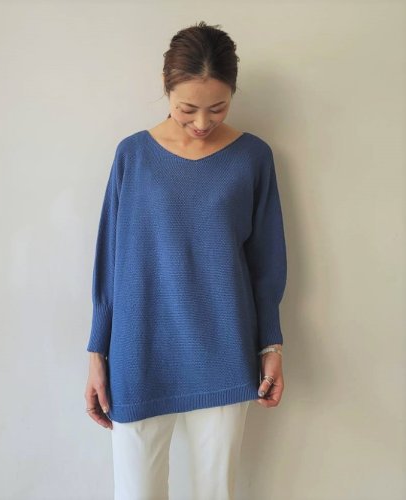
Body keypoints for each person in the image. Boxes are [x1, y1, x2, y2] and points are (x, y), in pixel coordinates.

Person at [84, 21, 287, 500]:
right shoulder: (132, 156)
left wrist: (271, 345)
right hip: (139, 349)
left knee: (216, 492)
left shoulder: (252, 158)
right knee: (136, 493)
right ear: (166, 87)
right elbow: (110, 261)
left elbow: (266, 262)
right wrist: (97, 351)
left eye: (217, 107)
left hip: (224, 348)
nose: (201, 122)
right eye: (187, 109)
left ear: (233, 93)